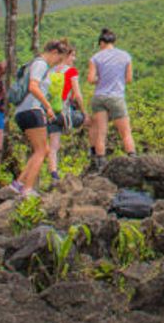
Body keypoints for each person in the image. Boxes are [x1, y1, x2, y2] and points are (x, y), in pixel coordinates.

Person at [9, 39, 69, 197]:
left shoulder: (36, 64)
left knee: (44, 149)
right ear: (54, 52)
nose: (58, 63)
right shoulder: (41, 64)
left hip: (24, 111)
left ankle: (18, 184)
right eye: (59, 59)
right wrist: (47, 106)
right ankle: (27, 190)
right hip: (31, 110)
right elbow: (33, 86)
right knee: (41, 151)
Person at [86, 28, 136, 170]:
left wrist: (100, 80)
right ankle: (133, 159)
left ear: (102, 42)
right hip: (116, 96)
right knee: (125, 132)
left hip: (99, 97)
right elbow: (129, 79)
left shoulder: (95, 58)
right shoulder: (125, 56)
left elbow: (90, 79)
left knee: (101, 132)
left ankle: (100, 163)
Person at [45, 42, 85, 188]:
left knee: (53, 146)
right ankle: (96, 158)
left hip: (51, 113)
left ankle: (54, 174)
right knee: (89, 121)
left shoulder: (50, 71)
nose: (74, 59)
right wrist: (84, 112)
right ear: (66, 56)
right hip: (65, 113)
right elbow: (77, 95)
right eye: (72, 55)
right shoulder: (71, 72)